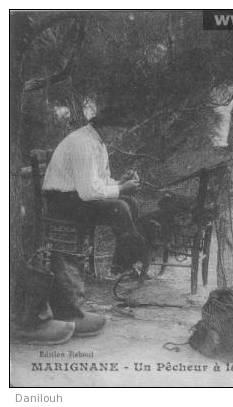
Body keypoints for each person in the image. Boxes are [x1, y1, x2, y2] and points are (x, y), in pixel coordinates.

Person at [13, 100, 149, 345]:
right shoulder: (82, 142)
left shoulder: (98, 142)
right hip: (62, 202)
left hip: (75, 198)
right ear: (105, 125)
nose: (119, 136)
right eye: (118, 131)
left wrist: (120, 183)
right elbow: (89, 192)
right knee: (120, 206)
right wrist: (120, 189)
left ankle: (124, 257)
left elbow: (100, 183)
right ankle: (126, 258)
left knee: (128, 203)